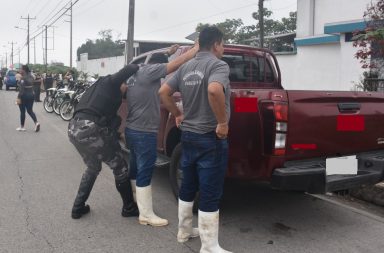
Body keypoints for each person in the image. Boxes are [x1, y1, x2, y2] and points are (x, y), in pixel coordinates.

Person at [159, 26, 231, 252]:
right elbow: (214, 90)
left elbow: (163, 92)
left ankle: (184, 232)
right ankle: (209, 247)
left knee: (188, 184)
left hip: (187, 136)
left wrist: (178, 114)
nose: (224, 48)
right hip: (210, 138)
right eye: (223, 44)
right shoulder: (218, 65)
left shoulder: (187, 66)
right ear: (216, 44)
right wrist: (222, 122)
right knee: (210, 191)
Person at [125, 43, 199, 227]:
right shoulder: (151, 71)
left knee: (135, 167)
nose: (163, 76)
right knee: (145, 170)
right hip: (144, 131)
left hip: (132, 129)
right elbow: (174, 65)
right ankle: (146, 214)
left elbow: (160, 61)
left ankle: (134, 202)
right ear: (156, 67)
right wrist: (195, 49)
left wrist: (167, 51)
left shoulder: (135, 73)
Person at [68, 64, 139, 219]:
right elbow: (128, 69)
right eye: (126, 87)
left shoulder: (97, 89)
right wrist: (142, 66)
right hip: (90, 129)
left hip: (74, 128)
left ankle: (77, 207)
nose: (126, 92)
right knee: (120, 167)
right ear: (122, 83)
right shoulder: (110, 82)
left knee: (93, 167)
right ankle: (129, 208)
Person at [16, 65, 40, 132]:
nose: (20, 70)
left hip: (24, 95)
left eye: (21, 69)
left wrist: (18, 97)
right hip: (31, 95)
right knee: (30, 110)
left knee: (22, 111)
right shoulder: (32, 76)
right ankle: (36, 123)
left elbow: (21, 89)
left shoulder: (23, 78)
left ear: (24, 70)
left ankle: (22, 127)